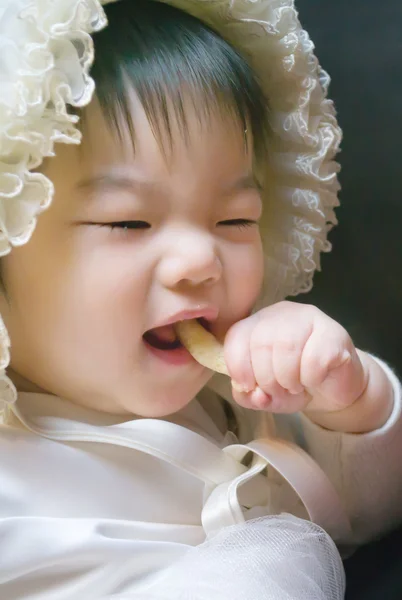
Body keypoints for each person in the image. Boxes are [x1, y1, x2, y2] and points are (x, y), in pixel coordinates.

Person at [0, 0, 401, 598]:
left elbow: (373, 513)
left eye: (236, 219)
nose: (200, 261)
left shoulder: (244, 392)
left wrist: (353, 402)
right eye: (129, 222)